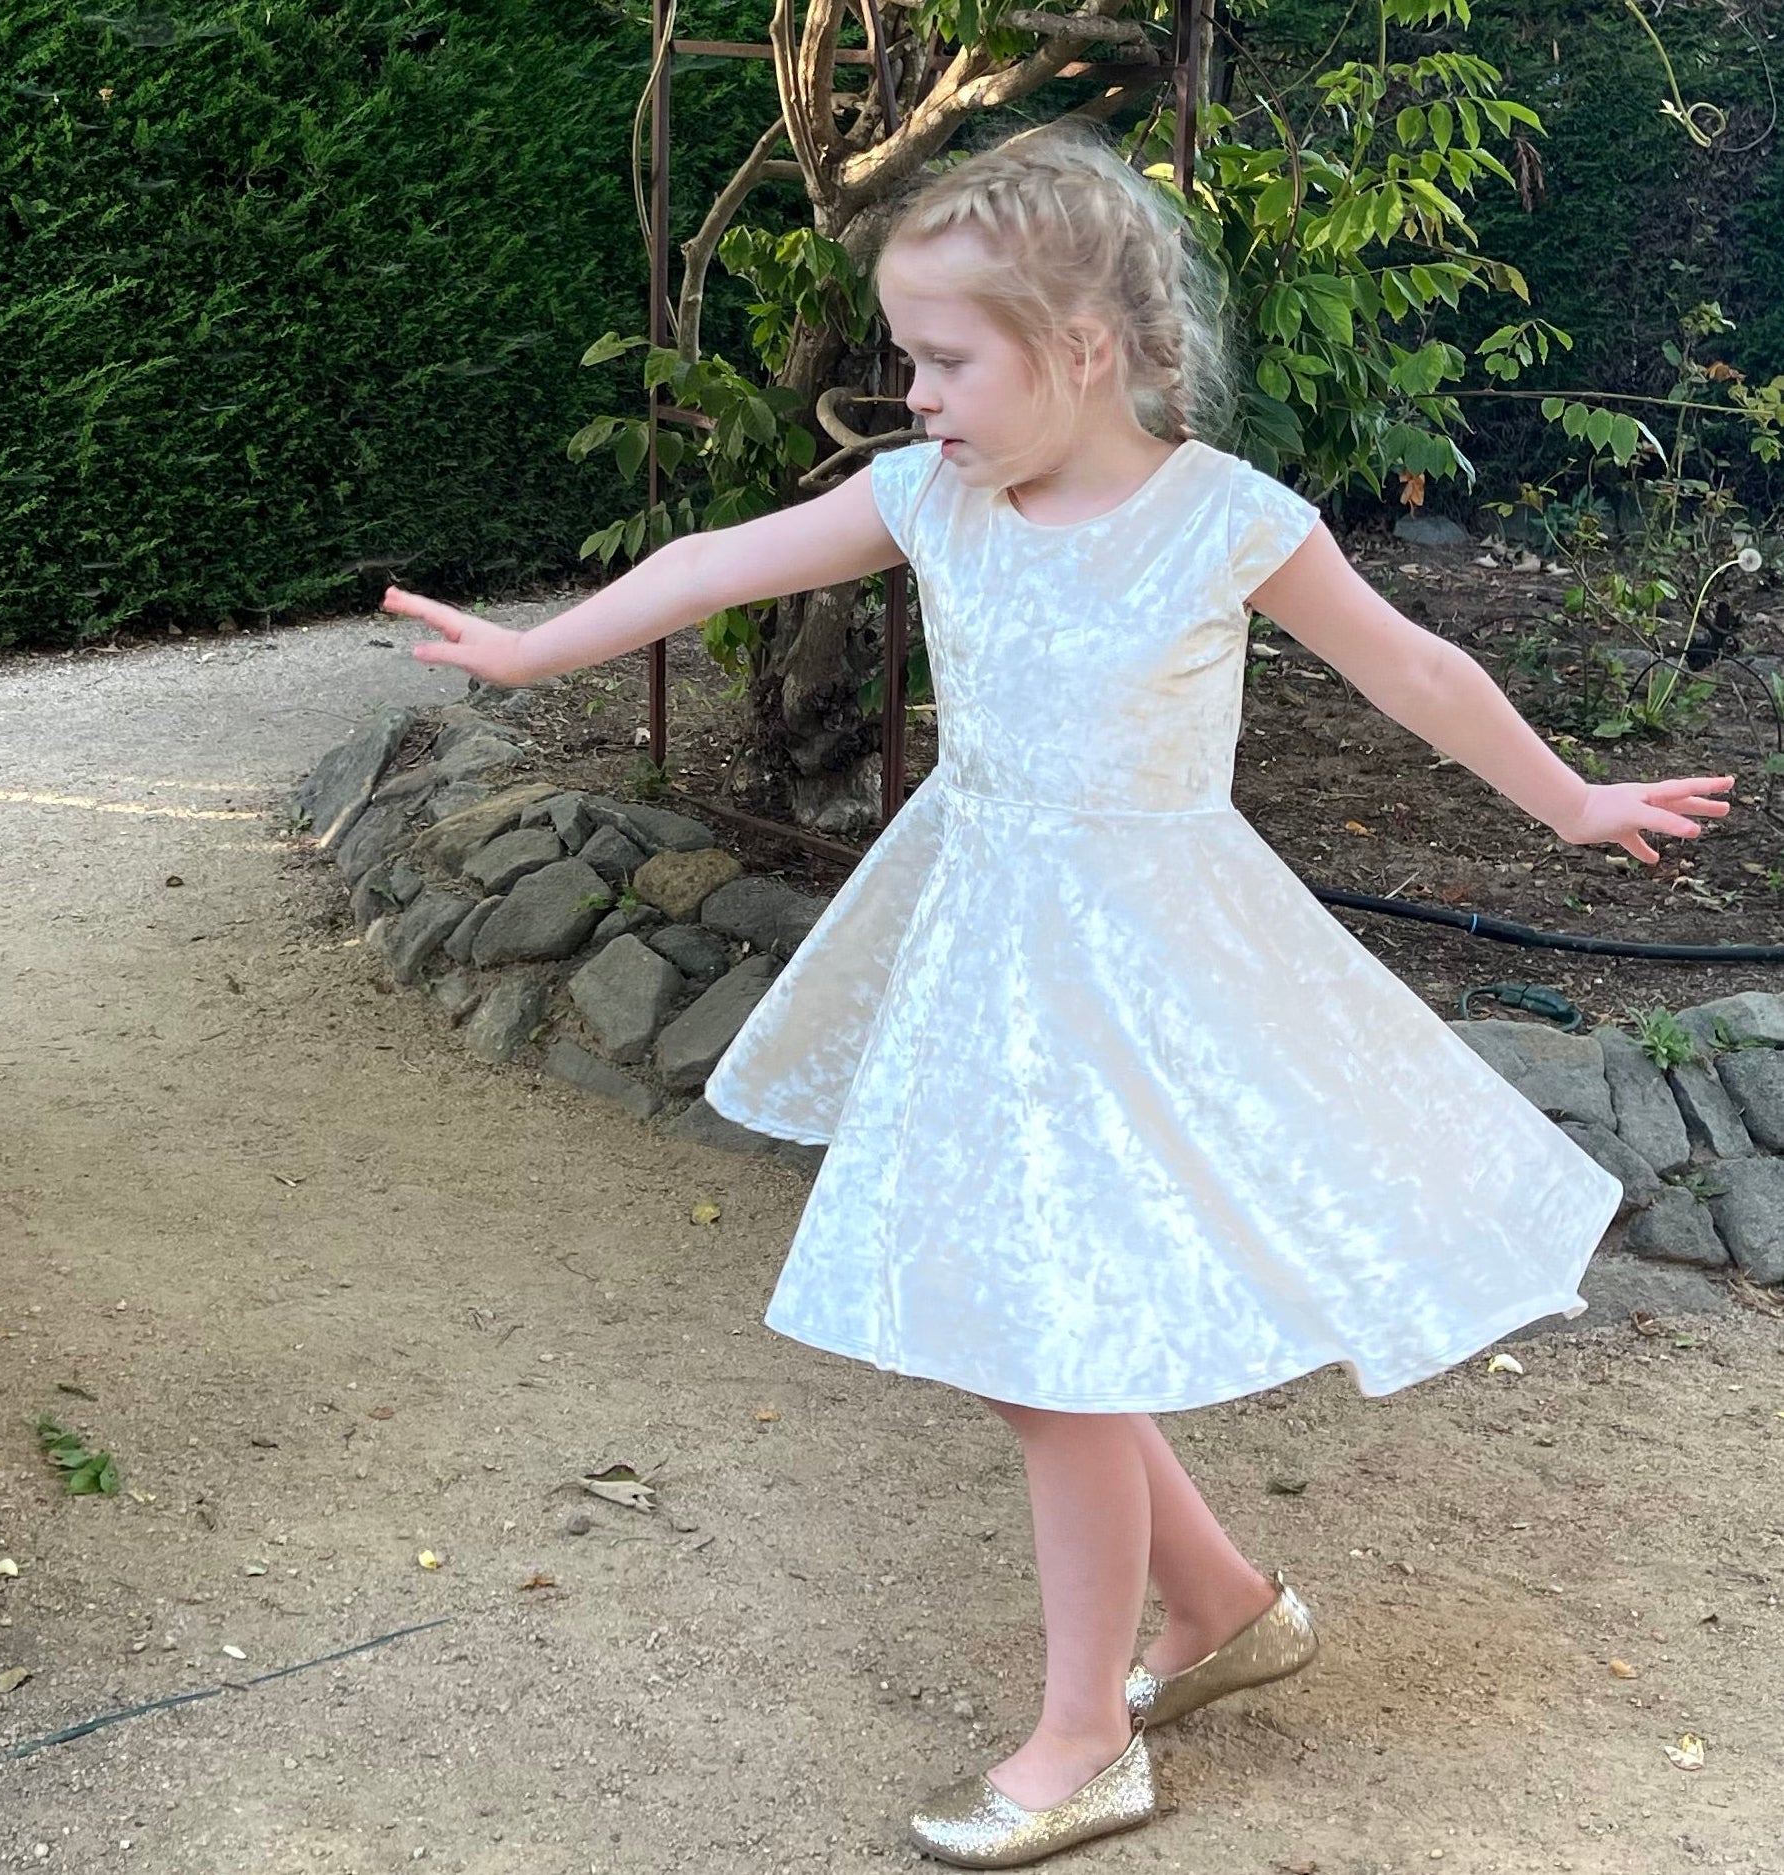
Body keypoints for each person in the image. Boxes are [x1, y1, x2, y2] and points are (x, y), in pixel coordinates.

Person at [382, 122, 1735, 1870]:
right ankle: (1225, 1610)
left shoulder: (1228, 522)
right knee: (1039, 1344)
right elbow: (716, 563)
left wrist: (1577, 802)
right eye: (909, 361)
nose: (916, 398)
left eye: (947, 360)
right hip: (986, 954)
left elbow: (1416, 668)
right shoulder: (927, 499)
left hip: (1153, 966)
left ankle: (1092, 1731)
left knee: (1049, 1343)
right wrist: (527, 646)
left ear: (1081, 350)